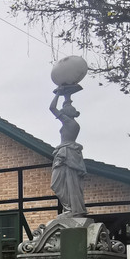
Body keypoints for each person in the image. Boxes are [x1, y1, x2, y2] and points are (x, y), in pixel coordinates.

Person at [49, 87, 87, 216]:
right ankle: (69, 208)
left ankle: (72, 209)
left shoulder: (71, 123)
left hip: (67, 153)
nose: (62, 112)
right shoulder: (70, 122)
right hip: (64, 152)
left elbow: (52, 108)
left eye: (64, 110)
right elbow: (63, 107)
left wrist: (58, 94)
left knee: (66, 182)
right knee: (60, 183)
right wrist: (67, 96)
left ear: (69, 113)